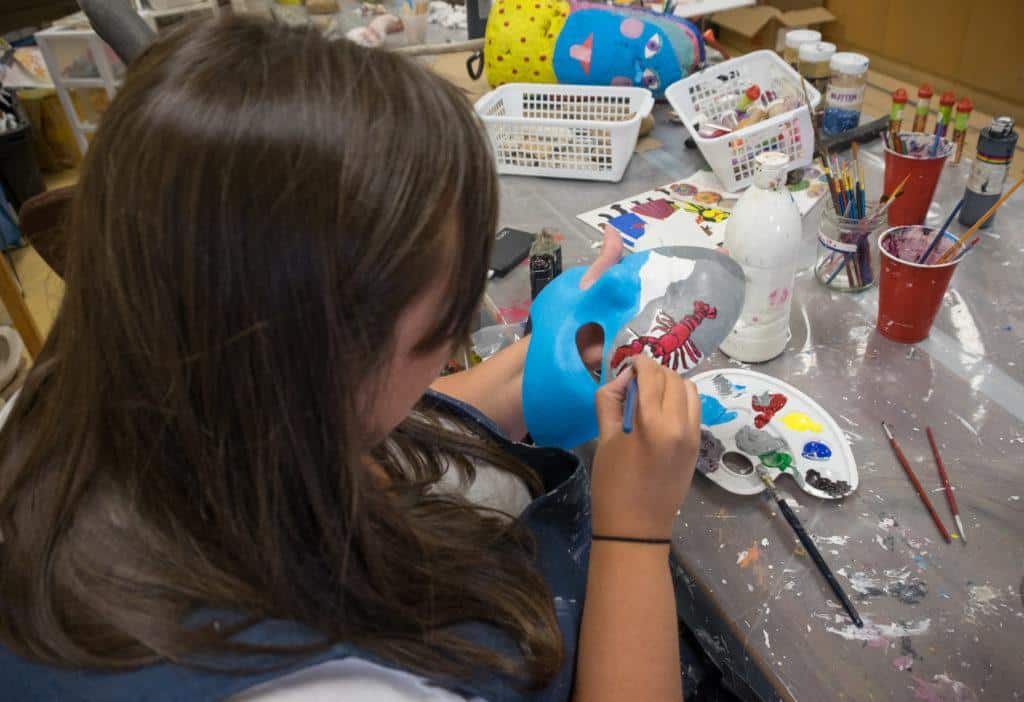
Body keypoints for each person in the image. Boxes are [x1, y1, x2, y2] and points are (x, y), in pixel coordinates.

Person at [0, 16, 701, 702]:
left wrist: (543, 356)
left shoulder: (141, 387)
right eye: (450, 317)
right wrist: (633, 530)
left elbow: (388, 412)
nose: (454, 339)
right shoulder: (330, 687)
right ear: (326, 351)